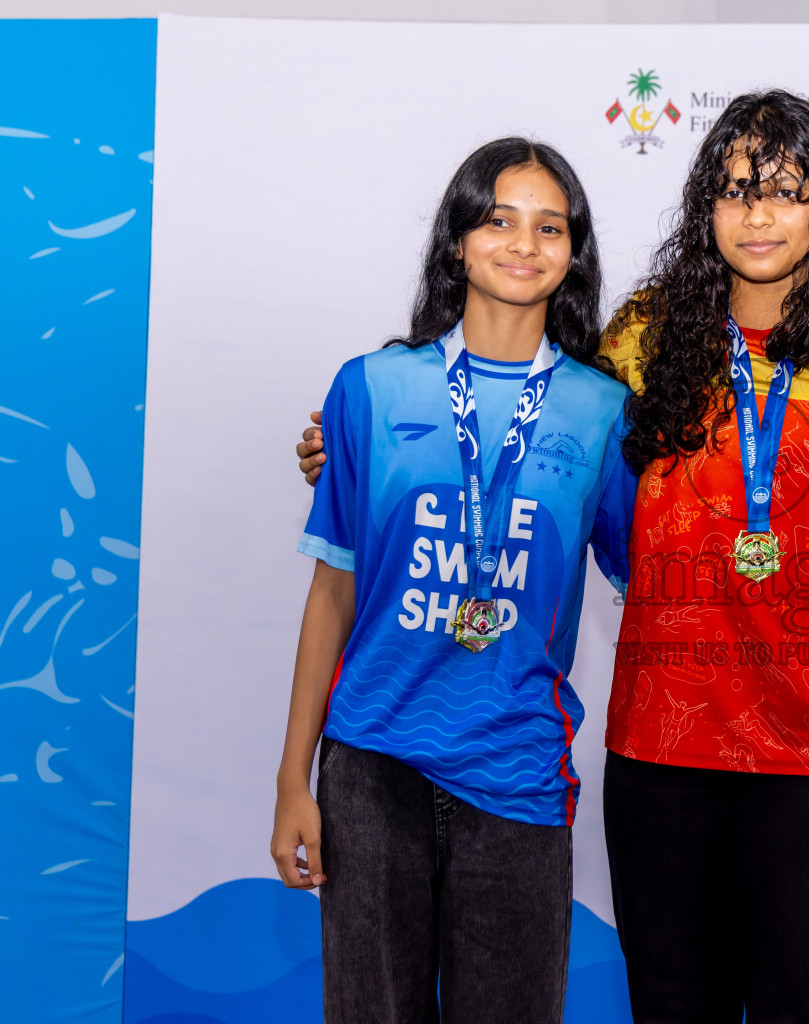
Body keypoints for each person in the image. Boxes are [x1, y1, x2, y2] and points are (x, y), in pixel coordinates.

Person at [300, 90, 809, 1022]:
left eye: (784, 190)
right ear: (706, 207)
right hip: (664, 744)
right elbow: (532, 423)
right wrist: (352, 448)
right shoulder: (647, 334)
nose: (758, 214)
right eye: (736, 192)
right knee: (667, 1003)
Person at [270, 137, 634, 1024]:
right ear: (459, 242)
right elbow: (334, 593)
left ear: (572, 254)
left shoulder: (604, 410)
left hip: (517, 768)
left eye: (550, 227)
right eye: (498, 220)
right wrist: (293, 781)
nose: (524, 243)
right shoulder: (372, 390)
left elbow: (649, 570)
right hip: (372, 763)